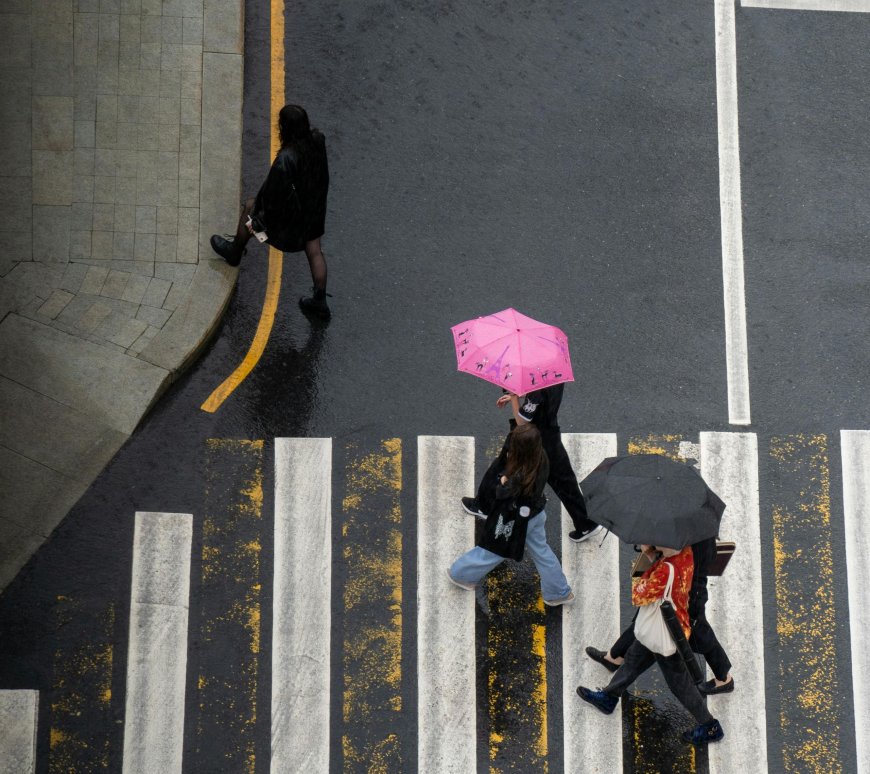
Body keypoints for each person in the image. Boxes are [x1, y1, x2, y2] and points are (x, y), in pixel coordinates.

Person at [576, 545, 724, 746]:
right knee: (633, 660)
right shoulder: (686, 553)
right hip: (670, 623)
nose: (644, 543)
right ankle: (609, 696)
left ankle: (710, 726)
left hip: (665, 634)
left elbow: (638, 595)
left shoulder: (665, 570)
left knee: (680, 685)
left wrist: (646, 560)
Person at [210, 104, 332, 320]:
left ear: (284, 128)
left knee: (249, 207)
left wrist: (258, 222)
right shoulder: (317, 140)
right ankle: (319, 301)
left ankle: (234, 252)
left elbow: (273, 200)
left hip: (290, 223)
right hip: (314, 212)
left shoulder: (286, 159)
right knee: (315, 251)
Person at [585, 537, 734, 695]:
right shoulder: (698, 527)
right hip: (680, 587)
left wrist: (650, 555)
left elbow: (640, 594)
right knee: (648, 617)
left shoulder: (689, 539)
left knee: (698, 631)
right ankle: (615, 657)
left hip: (687, 592)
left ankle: (723, 678)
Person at [447, 424, 575, 606]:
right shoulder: (541, 458)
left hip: (516, 520)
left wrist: (503, 481)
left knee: (495, 547)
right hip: (536, 514)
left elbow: (503, 493)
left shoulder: (520, 474)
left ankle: (461, 574)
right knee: (541, 551)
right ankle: (558, 592)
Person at [460, 384, 602, 543]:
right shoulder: (553, 375)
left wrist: (514, 398)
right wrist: (523, 396)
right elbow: (541, 400)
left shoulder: (537, 388)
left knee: (501, 466)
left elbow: (522, 423)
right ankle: (585, 523)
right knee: (564, 481)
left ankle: (483, 506)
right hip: (550, 434)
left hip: (529, 439)